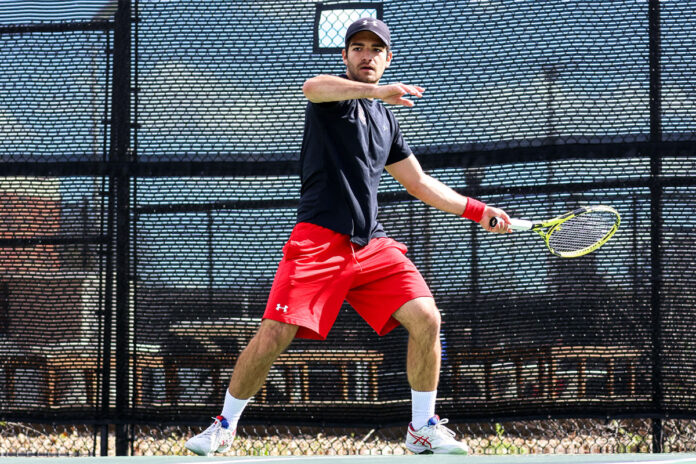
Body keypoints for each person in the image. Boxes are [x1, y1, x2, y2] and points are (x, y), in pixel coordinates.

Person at [185, 17, 511, 456]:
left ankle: (421, 428)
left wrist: (478, 210)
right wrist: (375, 91)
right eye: (357, 47)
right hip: (319, 240)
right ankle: (224, 426)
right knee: (273, 335)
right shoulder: (334, 100)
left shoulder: (387, 121)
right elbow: (311, 86)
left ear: (387, 58)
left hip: (372, 245)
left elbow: (417, 182)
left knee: (427, 318)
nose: (366, 55)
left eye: (375, 49)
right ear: (345, 57)